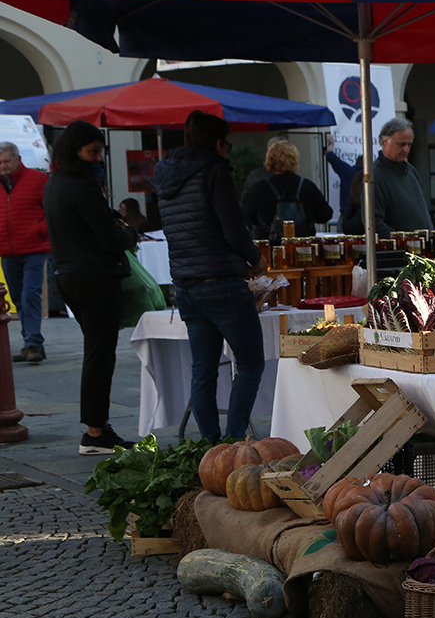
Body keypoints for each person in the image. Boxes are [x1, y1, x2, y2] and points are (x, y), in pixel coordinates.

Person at [151, 111, 267, 443]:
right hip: (222, 282)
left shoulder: (165, 177)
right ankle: (232, 444)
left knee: (202, 371)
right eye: (227, 144)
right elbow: (234, 230)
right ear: (218, 143)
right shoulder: (214, 171)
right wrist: (256, 260)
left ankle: (209, 447)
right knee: (250, 363)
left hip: (186, 284)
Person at [43, 121, 139, 454]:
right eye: (92, 152)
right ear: (75, 151)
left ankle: (99, 428)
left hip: (69, 274)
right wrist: (129, 233)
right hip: (95, 278)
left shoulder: (54, 184)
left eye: (100, 151)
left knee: (96, 354)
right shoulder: (82, 187)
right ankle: (96, 432)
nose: (98, 159)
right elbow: (110, 239)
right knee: (100, 357)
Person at [0, 140, 50, 364]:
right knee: (19, 298)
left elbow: (52, 210)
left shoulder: (38, 180)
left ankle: (33, 344)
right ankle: (30, 341)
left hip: (34, 248)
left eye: (6, 161)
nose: (3, 166)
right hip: (7, 250)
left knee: (30, 294)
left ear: (18, 159)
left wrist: (41, 230)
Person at [343, 118, 433, 236]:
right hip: (402, 251)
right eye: (401, 144)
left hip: (421, 247)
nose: (406, 149)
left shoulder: (410, 170)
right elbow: (374, 223)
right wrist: (403, 242)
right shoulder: (375, 176)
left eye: (409, 144)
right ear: (385, 141)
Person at [242, 140, 334, 241]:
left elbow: (250, 216)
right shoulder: (307, 185)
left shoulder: (262, 186)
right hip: (302, 245)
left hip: (272, 245)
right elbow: (326, 214)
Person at [324, 138, 363, 228]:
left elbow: (330, 156)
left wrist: (331, 142)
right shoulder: (374, 174)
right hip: (370, 215)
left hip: (348, 215)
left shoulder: (347, 171)